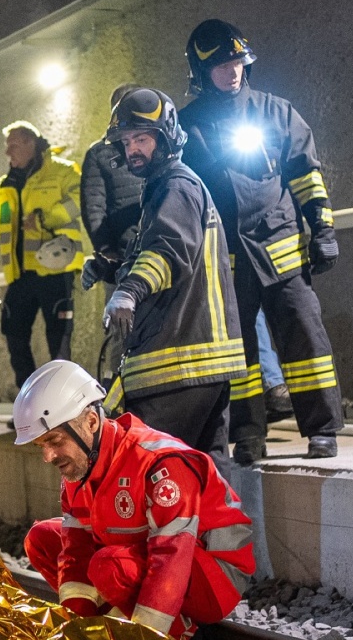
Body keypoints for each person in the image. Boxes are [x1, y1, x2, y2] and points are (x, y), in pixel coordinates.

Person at [178, 19, 344, 464]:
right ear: (201, 71)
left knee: (306, 340)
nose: (232, 72)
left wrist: (323, 230)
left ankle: (323, 430)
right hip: (226, 259)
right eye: (221, 66)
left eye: (237, 62)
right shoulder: (186, 127)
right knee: (242, 357)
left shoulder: (276, 112)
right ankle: (249, 436)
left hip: (282, 251)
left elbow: (307, 176)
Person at [16, 361, 257, 640]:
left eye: (54, 441)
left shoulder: (160, 465)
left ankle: (179, 635)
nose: (48, 456)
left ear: (91, 422)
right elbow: (75, 553)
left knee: (108, 566)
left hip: (213, 574)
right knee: (42, 538)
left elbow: (171, 558)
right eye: (40, 445)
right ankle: (108, 628)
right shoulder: (79, 469)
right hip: (148, 555)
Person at [94, 87, 245, 473]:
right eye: (127, 142)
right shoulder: (166, 187)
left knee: (151, 473)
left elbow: (168, 252)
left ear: (166, 137)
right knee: (208, 476)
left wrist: (127, 291)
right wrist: (113, 272)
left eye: (141, 139)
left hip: (179, 363)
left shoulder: (176, 185)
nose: (132, 151)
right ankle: (221, 537)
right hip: (201, 362)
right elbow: (171, 259)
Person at [0, 121, 85, 389]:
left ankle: (68, 406)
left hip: (55, 273)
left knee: (58, 341)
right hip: (20, 275)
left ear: (31, 143)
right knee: (13, 334)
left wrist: (45, 218)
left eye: (12, 145)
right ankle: (31, 403)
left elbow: (81, 201)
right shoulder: (7, 185)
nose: (7, 152)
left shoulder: (62, 171)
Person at [80, 84, 145, 260]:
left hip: (160, 244)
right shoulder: (100, 154)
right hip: (124, 252)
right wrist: (105, 247)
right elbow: (93, 205)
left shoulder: (158, 145)